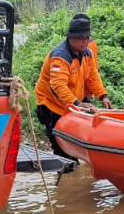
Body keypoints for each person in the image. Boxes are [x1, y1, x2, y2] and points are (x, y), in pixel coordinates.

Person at [35, 16, 112, 156]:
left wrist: (103, 95)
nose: (85, 41)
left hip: (71, 104)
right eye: (81, 38)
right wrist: (77, 103)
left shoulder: (86, 53)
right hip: (52, 104)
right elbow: (57, 85)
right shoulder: (60, 56)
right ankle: (65, 168)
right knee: (61, 149)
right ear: (71, 38)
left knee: (73, 145)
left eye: (87, 38)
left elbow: (93, 76)